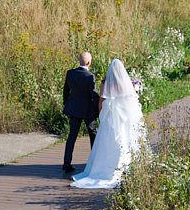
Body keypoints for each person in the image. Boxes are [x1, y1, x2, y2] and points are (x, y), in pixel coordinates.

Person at [71, 59, 147, 190]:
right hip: (124, 118)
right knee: (125, 137)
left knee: (108, 140)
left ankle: (105, 168)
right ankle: (128, 165)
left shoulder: (105, 84)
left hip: (111, 116)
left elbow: (101, 101)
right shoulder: (126, 84)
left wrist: (101, 114)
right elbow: (131, 102)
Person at [61, 51, 98, 174]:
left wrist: (66, 103)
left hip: (74, 109)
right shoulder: (90, 76)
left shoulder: (70, 73)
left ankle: (66, 163)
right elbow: (93, 95)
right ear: (89, 62)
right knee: (93, 134)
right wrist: (98, 108)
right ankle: (94, 161)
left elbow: (66, 91)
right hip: (87, 110)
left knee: (72, 136)